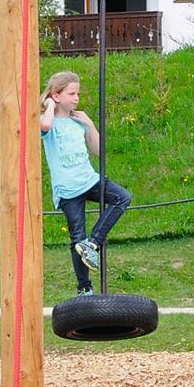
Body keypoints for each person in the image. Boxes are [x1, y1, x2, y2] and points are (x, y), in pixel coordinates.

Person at [38, 70, 132, 298]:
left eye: (78, 93)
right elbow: (45, 126)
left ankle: (94, 243)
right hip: (68, 189)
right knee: (76, 236)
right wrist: (49, 105)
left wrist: (89, 124)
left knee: (122, 197)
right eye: (71, 94)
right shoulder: (47, 120)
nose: (76, 98)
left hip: (89, 179)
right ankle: (85, 287)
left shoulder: (78, 121)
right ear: (56, 96)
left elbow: (98, 150)